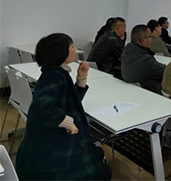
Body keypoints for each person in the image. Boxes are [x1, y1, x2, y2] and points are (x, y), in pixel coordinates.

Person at [16, 33, 112, 180]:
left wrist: (81, 79)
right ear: (60, 52)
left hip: (48, 148)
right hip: (51, 157)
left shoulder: (56, 72)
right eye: (72, 46)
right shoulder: (55, 76)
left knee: (97, 159)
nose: (75, 49)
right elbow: (40, 108)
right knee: (102, 171)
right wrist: (69, 122)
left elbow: (69, 101)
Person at [121, 24, 166, 93]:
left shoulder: (127, 51)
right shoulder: (145, 60)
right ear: (143, 41)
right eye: (151, 36)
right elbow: (166, 72)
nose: (152, 38)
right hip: (146, 91)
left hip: (132, 88)